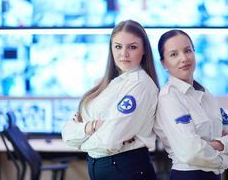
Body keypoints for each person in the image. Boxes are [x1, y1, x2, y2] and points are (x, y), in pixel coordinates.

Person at [62, 20, 159, 180]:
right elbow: (67, 132)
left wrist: (81, 141)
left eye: (132, 47)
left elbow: (109, 140)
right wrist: (93, 126)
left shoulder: (140, 85)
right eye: (118, 46)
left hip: (126, 169)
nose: (124, 54)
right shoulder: (104, 84)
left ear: (144, 51)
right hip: (104, 166)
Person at [154, 29, 228, 180]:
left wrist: (213, 144)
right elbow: (191, 151)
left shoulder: (206, 95)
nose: (184, 58)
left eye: (187, 51)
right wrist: (225, 160)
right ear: (164, 62)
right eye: (174, 54)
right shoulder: (169, 98)